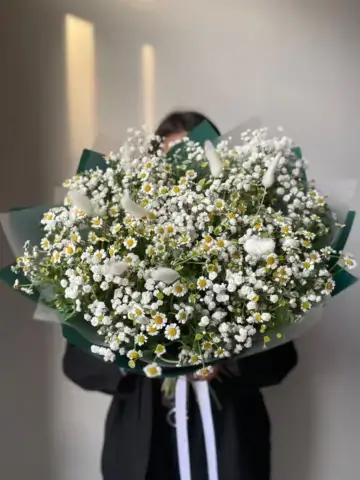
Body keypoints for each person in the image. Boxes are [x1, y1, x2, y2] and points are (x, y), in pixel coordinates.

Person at [63, 111, 298, 480]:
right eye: (174, 159)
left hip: (227, 438)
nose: (184, 172)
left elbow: (282, 358)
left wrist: (227, 360)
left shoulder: (255, 239)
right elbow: (77, 362)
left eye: (197, 159)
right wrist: (132, 356)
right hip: (143, 441)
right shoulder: (113, 243)